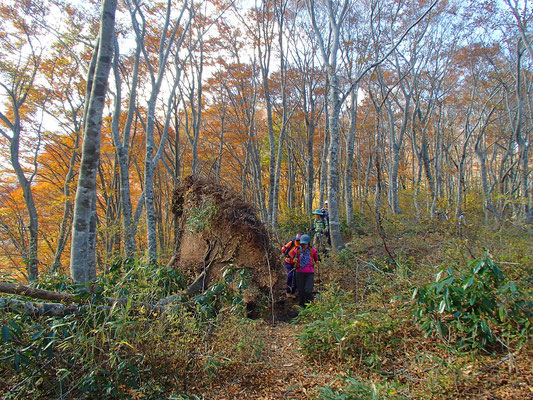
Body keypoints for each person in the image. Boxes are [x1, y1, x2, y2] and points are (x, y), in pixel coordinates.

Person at [292, 234, 319, 307]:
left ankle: (309, 305)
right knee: (301, 291)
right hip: (299, 272)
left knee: (308, 290)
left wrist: (318, 262)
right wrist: (294, 261)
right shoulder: (297, 251)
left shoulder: (312, 250)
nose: (303, 245)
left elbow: (317, 259)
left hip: (309, 273)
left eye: (305, 244)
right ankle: (301, 306)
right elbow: (292, 259)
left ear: (308, 243)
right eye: (302, 244)